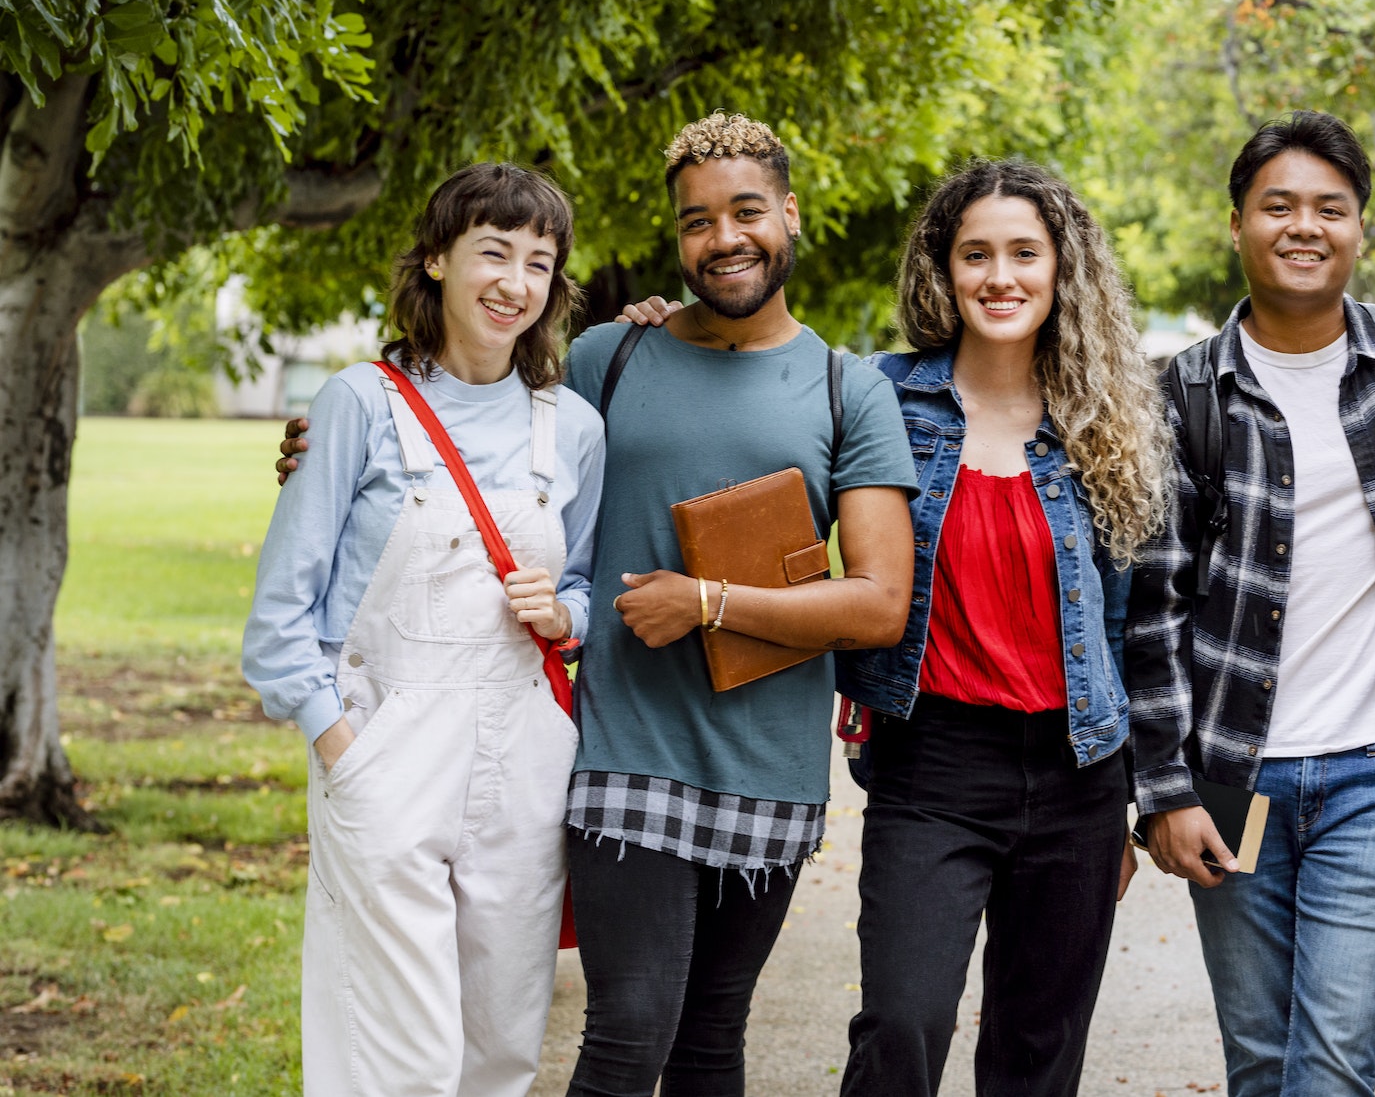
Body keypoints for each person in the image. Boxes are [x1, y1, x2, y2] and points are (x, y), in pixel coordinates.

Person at [277, 115, 919, 1097]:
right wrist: (323, 443)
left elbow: (878, 603)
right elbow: (455, 416)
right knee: (627, 1031)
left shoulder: (846, 389)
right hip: (623, 750)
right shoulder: (608, 361)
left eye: (746, 211)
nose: (724, 237)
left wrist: (706, 599)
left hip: (773, 762)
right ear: (677, 239)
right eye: (696, 221)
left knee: (712, 1039)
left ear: (788, 213)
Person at [621, 157, 1170, 1095]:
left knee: (1040, 1047)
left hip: (1080, 774)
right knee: (904, 1027)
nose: (1001, 277)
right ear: (942, 269)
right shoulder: (878, 392)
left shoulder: (1108, 417)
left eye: (1025, 253)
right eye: (976, 254)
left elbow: (1132, 622)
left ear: (1062, 268)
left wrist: (1134, 795)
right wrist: (673, 333)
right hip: (935, 763)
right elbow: (752, 425)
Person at [1123, 111, 1375, 1097]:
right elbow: (1154, 606)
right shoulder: (1186, 394)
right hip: (1233, 780)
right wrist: (1161, 789)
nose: (1304, 226)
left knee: (1329, 1066)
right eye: (1277, 205)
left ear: (1359, 230)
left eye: (1330, 208)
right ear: (1236, 225)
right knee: (1257, 1066)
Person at [244, 163, 606, 1097]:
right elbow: (282, 614)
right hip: (387, 742)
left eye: (538, 260)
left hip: (523, 748)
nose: (514, 282)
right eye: (493, 251)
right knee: (395, 1050)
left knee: (501, 1039)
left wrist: (566, 612)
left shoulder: (571, 428)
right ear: (438, 260)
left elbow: (588, 585)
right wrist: (342, 744)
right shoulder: (358, 404)